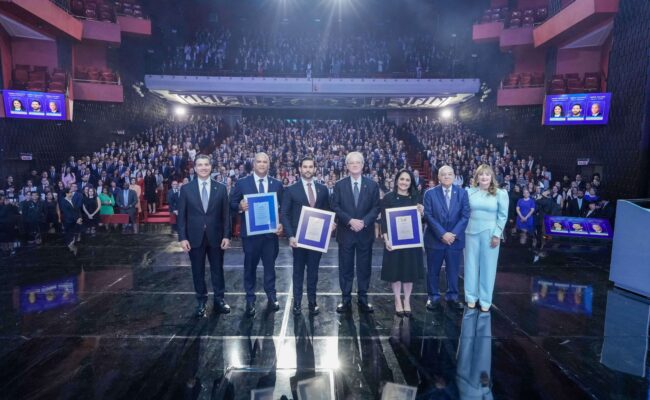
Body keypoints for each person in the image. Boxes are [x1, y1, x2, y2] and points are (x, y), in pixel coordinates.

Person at [230, 152, 284, 317]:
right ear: (254, 164)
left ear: (269, 165)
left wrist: (281, 224)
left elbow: (283, 208)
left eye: (264, 162)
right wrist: (240, 206)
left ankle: (271, 296)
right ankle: (250, 299)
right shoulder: (242, 183)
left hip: (270, 236)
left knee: (270, 268)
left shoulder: (277, 184)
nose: (261, 164)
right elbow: (231, 203)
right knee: (249, 268)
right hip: (250, 236)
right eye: (259, 162)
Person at [177, 154, 232, 317]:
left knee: (217, 270)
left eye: (206, 164)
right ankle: (201, 301)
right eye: (200, 165)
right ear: (195, 168)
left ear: (211, 167)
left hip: (216, 237)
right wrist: (182, 237)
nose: (203, 167)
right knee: (197, 271)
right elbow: (181, 216)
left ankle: (219, 300)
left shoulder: (221, 188)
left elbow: (226, 215)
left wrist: (227, 236)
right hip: (194, 237)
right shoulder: (186, 189)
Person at [280, 157, 332, 316]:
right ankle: (297, 303)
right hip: (298, 239)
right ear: (300, 169)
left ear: (315, 169)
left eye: (310, 167)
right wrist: (290, 236)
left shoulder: (323, 189)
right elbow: (285, 214)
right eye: (305, 167)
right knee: (298, 272)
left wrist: (331, 224)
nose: (308, 169)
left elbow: (327, 211)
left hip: (317, 239)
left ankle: (312, 302)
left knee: (313, 272)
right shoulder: (291, 190)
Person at [331, 151, 380, 314]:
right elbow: (335, 206)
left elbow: (376, 208)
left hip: (365, 233)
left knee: (364, 267)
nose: (354, 165)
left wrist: (364, 222)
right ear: (346, 166)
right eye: (351, 162)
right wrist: (350, 220)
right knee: (345, 267)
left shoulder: (372, 185)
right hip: (346, 233)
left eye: (357, 162)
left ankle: (363, 299)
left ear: (363, 165)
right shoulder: (339, 185)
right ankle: (345, 299)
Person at [423, 165, 470, 311]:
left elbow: (465, 215)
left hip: (455, 241)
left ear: (454, 176)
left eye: (450, 174)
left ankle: (452, 297)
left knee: (453, 271)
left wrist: (453, 234)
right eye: (443, 174)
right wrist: (442, 234)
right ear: (438, 177)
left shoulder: (462, 193)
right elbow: (428, 216)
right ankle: (433, 297)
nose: (447, 176)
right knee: (433, 271)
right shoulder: (429, 194)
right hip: (434, 239)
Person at [464, 165, 509, 312]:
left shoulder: (500, 193)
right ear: (476, 177)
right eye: (481, 174)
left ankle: (485, 300)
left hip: (490, 235)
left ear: (492, 177)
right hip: (470, 233)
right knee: (470, 266)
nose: (484, 177)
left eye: (487, 174)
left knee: (488, 268)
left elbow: (503, 216)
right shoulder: (469, 192)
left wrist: (497, 234)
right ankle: (471, 297)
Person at [381, 169, 425, 317]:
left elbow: (420, 220)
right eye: (402, 179)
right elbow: (384, 221)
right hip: (394, 242)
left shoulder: (416, 197)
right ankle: (397, 300)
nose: (404, 182)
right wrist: (386, 239)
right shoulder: (388, 198)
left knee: (409, 272)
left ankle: (407, 300)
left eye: (407, 180)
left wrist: (421, 212)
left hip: (411, 242)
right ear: (396, 180)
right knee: (395, 272)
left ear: (411, 182)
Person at [59, 188, 83, 255]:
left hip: (75, 221)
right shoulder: (63, 201)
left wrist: (79, 218)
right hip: (69, 222)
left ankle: (74, 250)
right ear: (66, 193)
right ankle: (70, 250)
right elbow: (67, 214)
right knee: (69, 236)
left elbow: (77, 210)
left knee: (74, 235)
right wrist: (76, 220)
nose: (72, 193)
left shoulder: (72, 199)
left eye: (71, 192)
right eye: (70, 192)